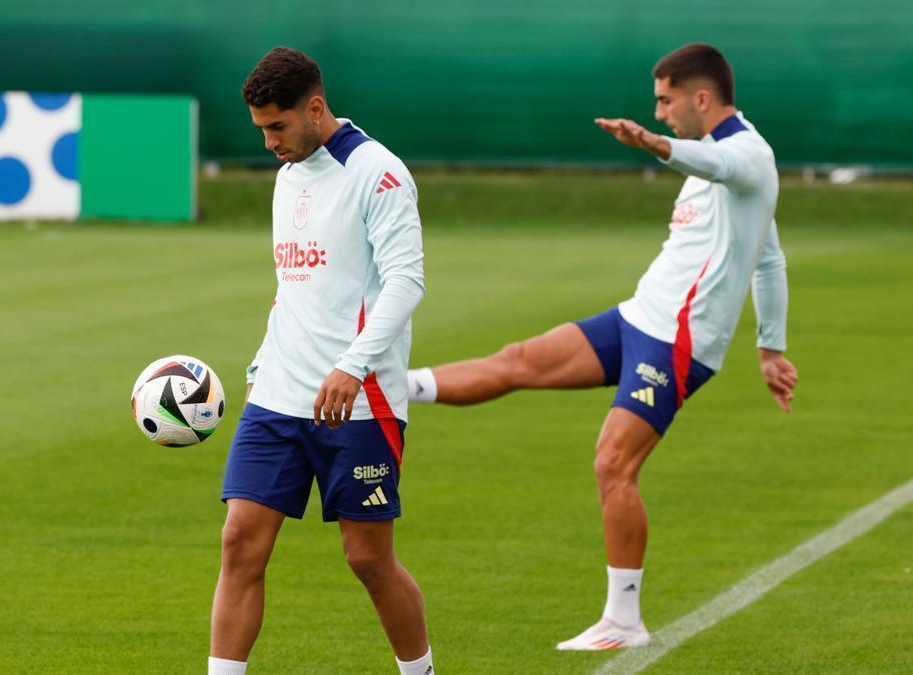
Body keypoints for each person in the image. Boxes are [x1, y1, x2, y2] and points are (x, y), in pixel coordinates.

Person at [406, 43, 798, 651]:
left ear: (701, 98)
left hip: (678, 343)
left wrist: (655, 145)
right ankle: (391, 385)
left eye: (666, 102)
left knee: (613, 464)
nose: (661, 113)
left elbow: (722, 169)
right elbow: (768, 259)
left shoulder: (748, 156)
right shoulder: (719, 165)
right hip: (638, 318)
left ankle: (624, 620)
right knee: (518, 361)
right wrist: (771, 348)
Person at [208, 47, 434, 675]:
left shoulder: (380, 173)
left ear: (315, 108)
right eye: (261, 131)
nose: (269, 143)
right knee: (239, 544)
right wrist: (263, 360)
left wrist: (352, 366)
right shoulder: (286, 178)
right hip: (277, 398)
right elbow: (295, 285)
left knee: (367, 558)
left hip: (361, 401)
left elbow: (406, 283)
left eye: (277, 127)